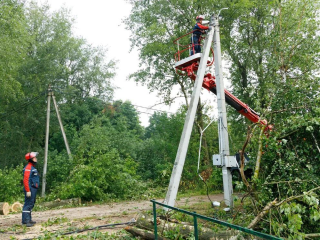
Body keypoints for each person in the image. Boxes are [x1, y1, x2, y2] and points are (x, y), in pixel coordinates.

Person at [22, 152, 39, 227]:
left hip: (33, 188)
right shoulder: (28, 168)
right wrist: (28, 190)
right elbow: (26, 180)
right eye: (34, 157)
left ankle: (29, 219)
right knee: (28, 204)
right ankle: (26, 221)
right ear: (31, 159)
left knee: (31, 204)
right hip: (30, 188)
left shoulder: (32, 167)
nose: (36, 158)